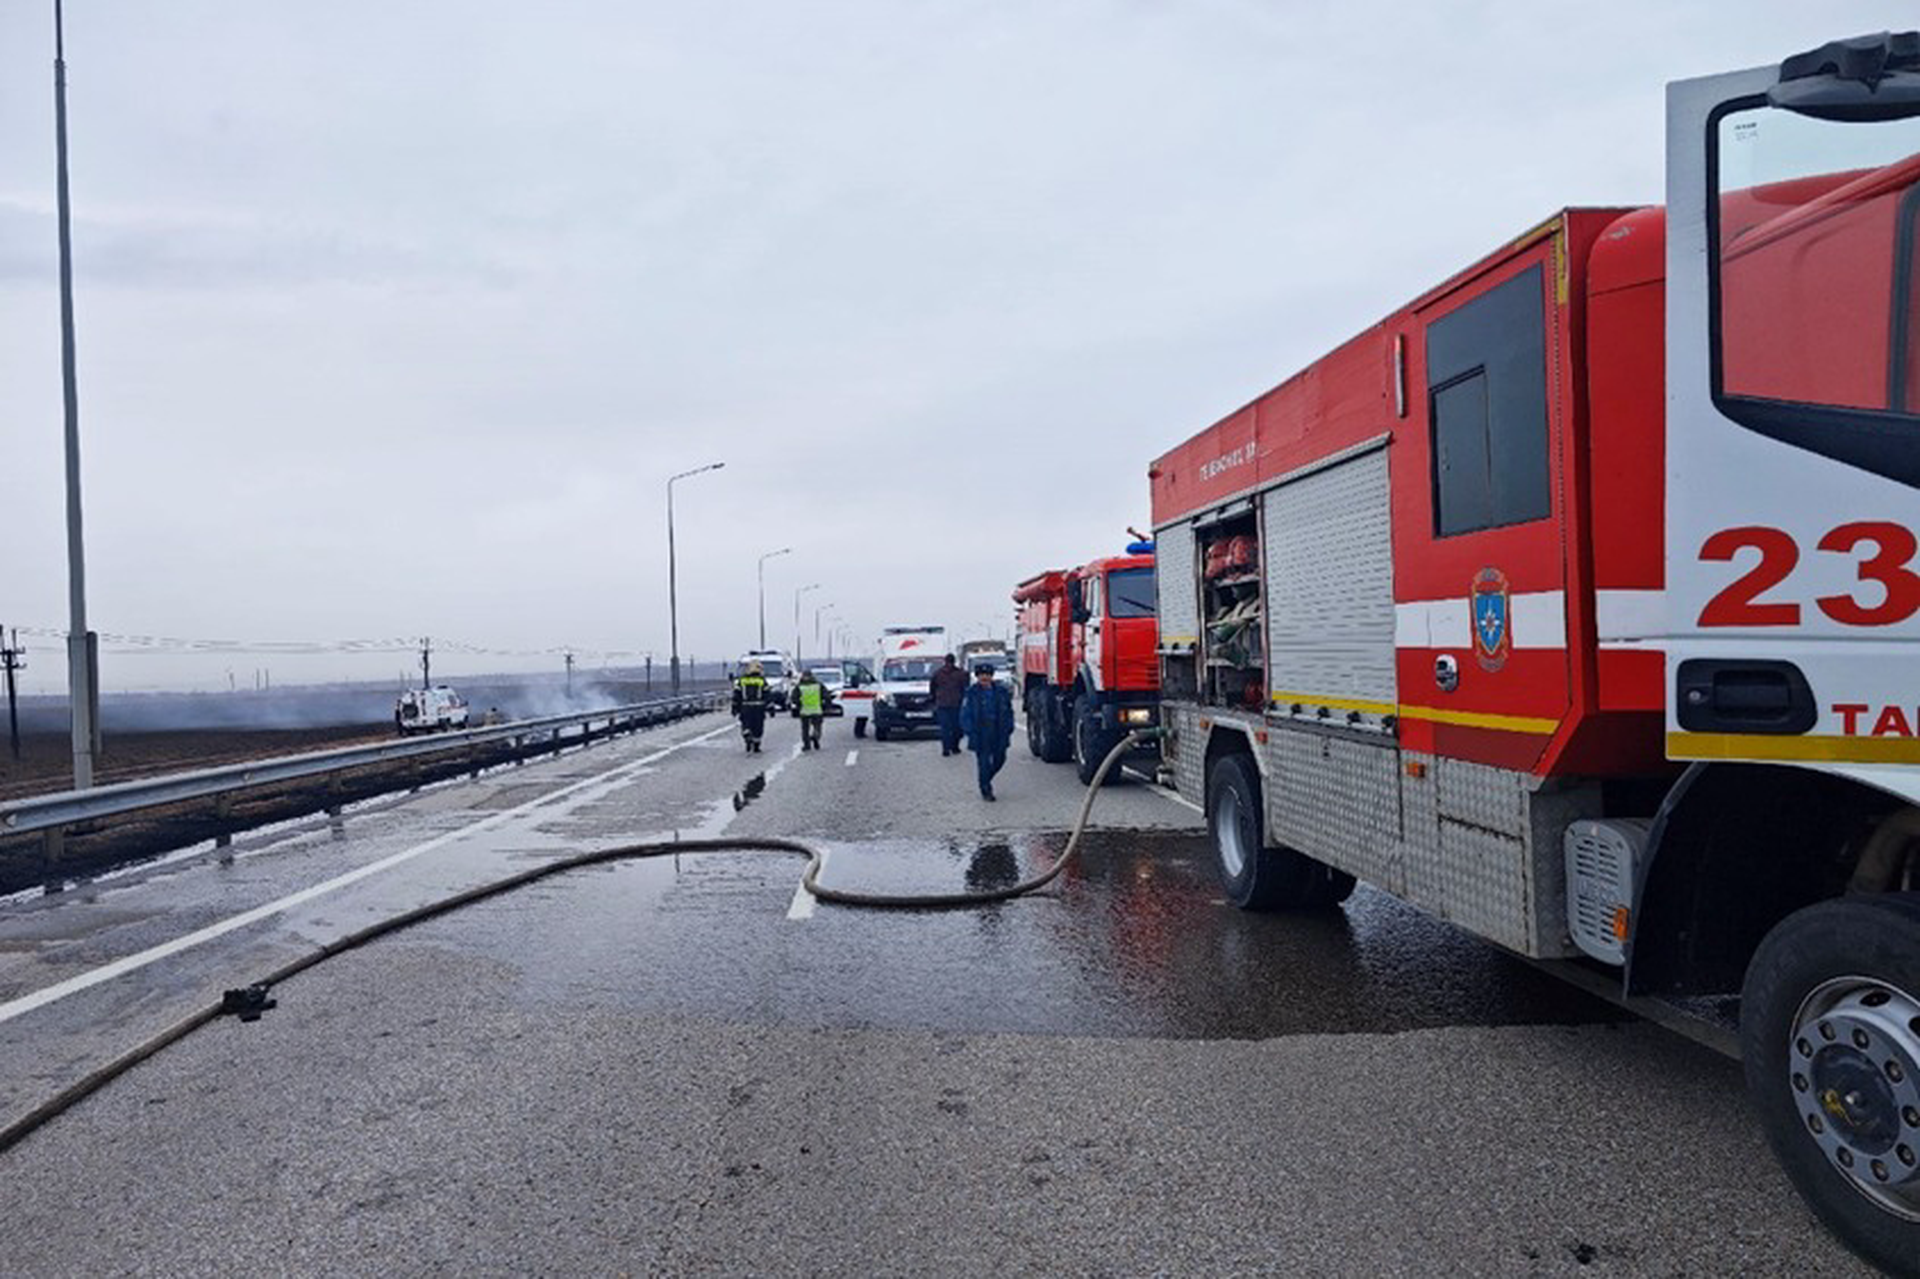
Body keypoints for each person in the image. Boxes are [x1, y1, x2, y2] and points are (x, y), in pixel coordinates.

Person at [958, 662, 1014, 800]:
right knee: (983, 762)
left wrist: (1009, 727)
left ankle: (986, 779)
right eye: (982, 675)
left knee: (1000, 759)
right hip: (980, 731)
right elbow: (965, 713)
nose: (985, 678)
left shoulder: (1001, 691)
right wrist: (969, 730)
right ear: (977, 677)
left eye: (987, 675)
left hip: (998, 730)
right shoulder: (971, 693)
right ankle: (986, 789)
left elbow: (1008, 711)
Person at [929, 653, 969, 756]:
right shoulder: (961, 673)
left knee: (945, 728)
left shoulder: (937, 673)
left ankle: (946, 749)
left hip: (942, 704)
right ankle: (954, 747)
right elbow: (965, 688)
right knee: (957, 727)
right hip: (956, 704)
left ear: (945, 661)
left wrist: (935, 700)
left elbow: (932, 689)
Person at [732, 662, 770, 753]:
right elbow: (767, 694)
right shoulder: (761, 681)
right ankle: (756, 746)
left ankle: (747, 736)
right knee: (758, 727)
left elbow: (737, 695)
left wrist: (735, 707)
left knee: (746, 724)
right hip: (759, 707)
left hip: (745, 707)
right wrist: (770, 706)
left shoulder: (742, 681)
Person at [793, 668, 830, 751]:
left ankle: (807, 745)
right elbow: (826, 696)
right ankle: (815, 736)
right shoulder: (818, 685)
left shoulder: (800, 686)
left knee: (805, 729)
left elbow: (794, 698)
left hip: (804, 710)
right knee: (817, 726)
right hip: (817, 710)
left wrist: (798, 705)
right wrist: (826, 706)